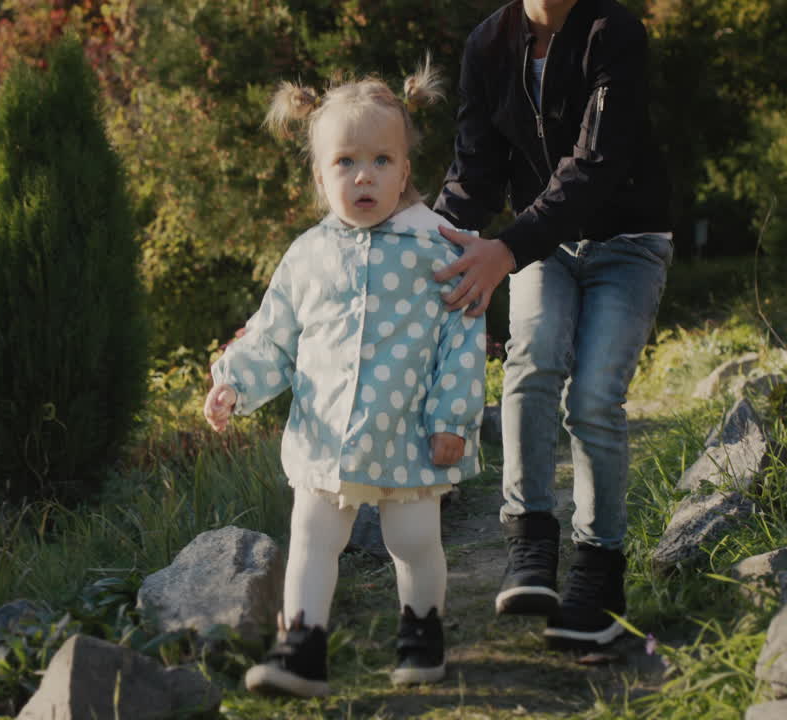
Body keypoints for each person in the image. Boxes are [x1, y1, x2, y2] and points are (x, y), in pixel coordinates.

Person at [203, 62, 486, 697]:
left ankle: (422, 631)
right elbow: (273, 332)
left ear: (406, 170)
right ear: (320, 173)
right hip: (323, 437)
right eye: (346, 162)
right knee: (310, 539)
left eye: (383, 160)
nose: (365, 175)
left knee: (412, 540)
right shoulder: (307, 255)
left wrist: (452, 420)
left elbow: (461, 341)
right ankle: (301, 648)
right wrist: (233, 382)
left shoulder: (438, 251)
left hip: (409, 434)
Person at [432, 0, 673, 652]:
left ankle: (599, 578)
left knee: (594, 399)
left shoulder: (612, 33)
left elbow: (595, 164)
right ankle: (530, 542)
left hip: (628, 243)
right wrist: (426, 246)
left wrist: (506, 249)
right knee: (531, 362)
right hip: (543, 249)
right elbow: (474, 171)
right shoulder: (487, 45)